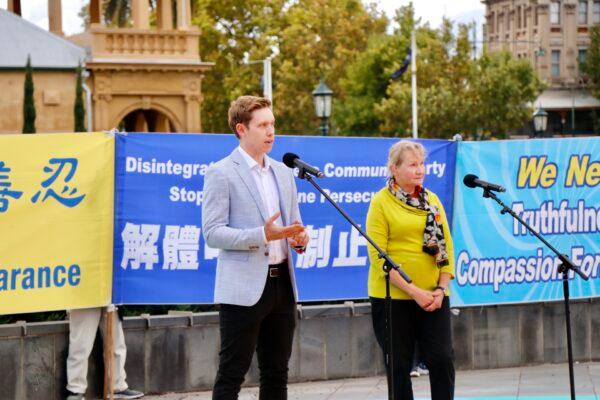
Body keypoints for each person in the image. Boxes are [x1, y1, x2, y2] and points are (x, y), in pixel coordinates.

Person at [202, 95, 309, 400]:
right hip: (242, 290)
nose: (271, 131)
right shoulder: (221, 173)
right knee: (232, 374)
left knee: (277, 374)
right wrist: (262, 235)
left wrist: (299, 239)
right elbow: (212, 233)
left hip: (282, 286)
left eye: (272, 124)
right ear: (241, 129)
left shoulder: (284, 173)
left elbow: (293, 225)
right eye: (262, 125)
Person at [366, 140, 455, 400]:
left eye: (422, 164)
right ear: (394, 168)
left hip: (435, 298)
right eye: (413, 165)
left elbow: (446, 248)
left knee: (442, 359)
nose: (420, 170)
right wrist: (414, 291)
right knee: (399, 366)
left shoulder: (432, 201)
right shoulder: (380, 203)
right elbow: (378, 257)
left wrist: (441, 288)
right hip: (393, 299)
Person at [66, 307, 144, 400]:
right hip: (84, 297)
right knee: (81, 345)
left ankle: (117, 387)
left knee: (116, 344)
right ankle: (76, 390)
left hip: (110, 297)